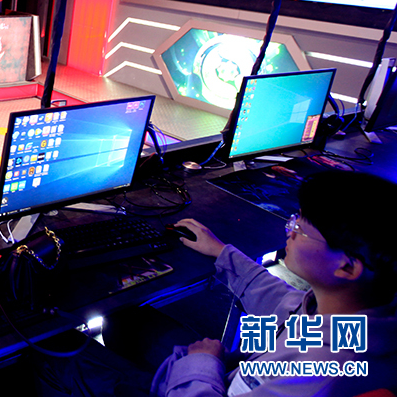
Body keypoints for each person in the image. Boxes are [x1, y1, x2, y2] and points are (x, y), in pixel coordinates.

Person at [153, 170, 397, 396]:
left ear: (347, 267)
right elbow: (285, 305)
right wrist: (221, 252)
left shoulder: (321, 372)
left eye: (300, 228)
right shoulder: (353, 310)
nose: (289, 231)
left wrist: (203, 362)